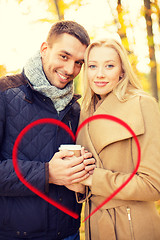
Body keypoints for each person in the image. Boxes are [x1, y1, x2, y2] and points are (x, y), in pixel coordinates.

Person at [0, 20, 95, 240]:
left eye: (79, 62)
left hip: (69, 234)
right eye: (64, 56)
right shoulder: (4, 93)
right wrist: (47, 173)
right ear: (45, 49)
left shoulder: (75, 108)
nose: (71, 70)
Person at [76, 38, 160, 240]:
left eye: (109, 66)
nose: (100, 74)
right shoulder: (84, 110)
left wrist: (92, 179)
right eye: (93, 66)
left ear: (122, 70)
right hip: (95, 223)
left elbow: (154, 185)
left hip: (132, 224)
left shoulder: (143, 105)